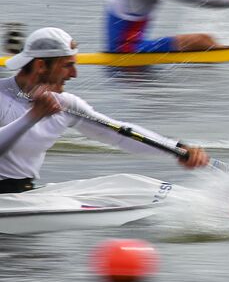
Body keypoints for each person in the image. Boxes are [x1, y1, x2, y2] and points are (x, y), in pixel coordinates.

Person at [0, 28, 209, 192]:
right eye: (67, 65)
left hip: (23, 193)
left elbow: (118, 133)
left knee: (127, 187)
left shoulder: (66, 104)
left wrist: (177, 150)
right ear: (40, 66)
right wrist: (33, 117)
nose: (74, 74)